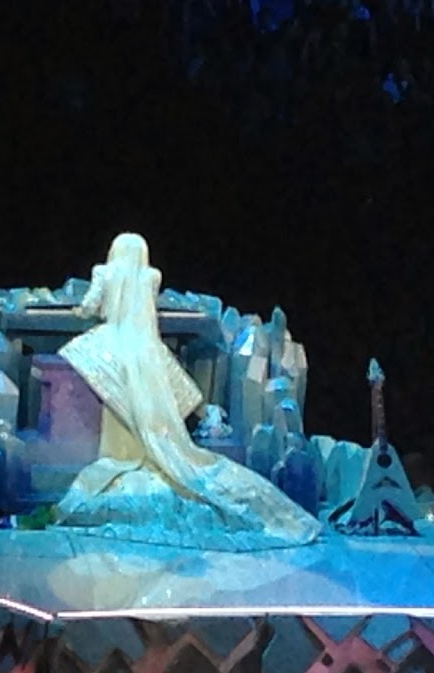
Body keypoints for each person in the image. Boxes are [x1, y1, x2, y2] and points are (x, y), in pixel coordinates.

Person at [56, 233, 322, 551]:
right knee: (159, 397)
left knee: (95, 369)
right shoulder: (151, 276)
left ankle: (123, 453)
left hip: (115, 343)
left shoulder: (104, 272)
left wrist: (78, 311)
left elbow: (91, 306)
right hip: (147, 349)